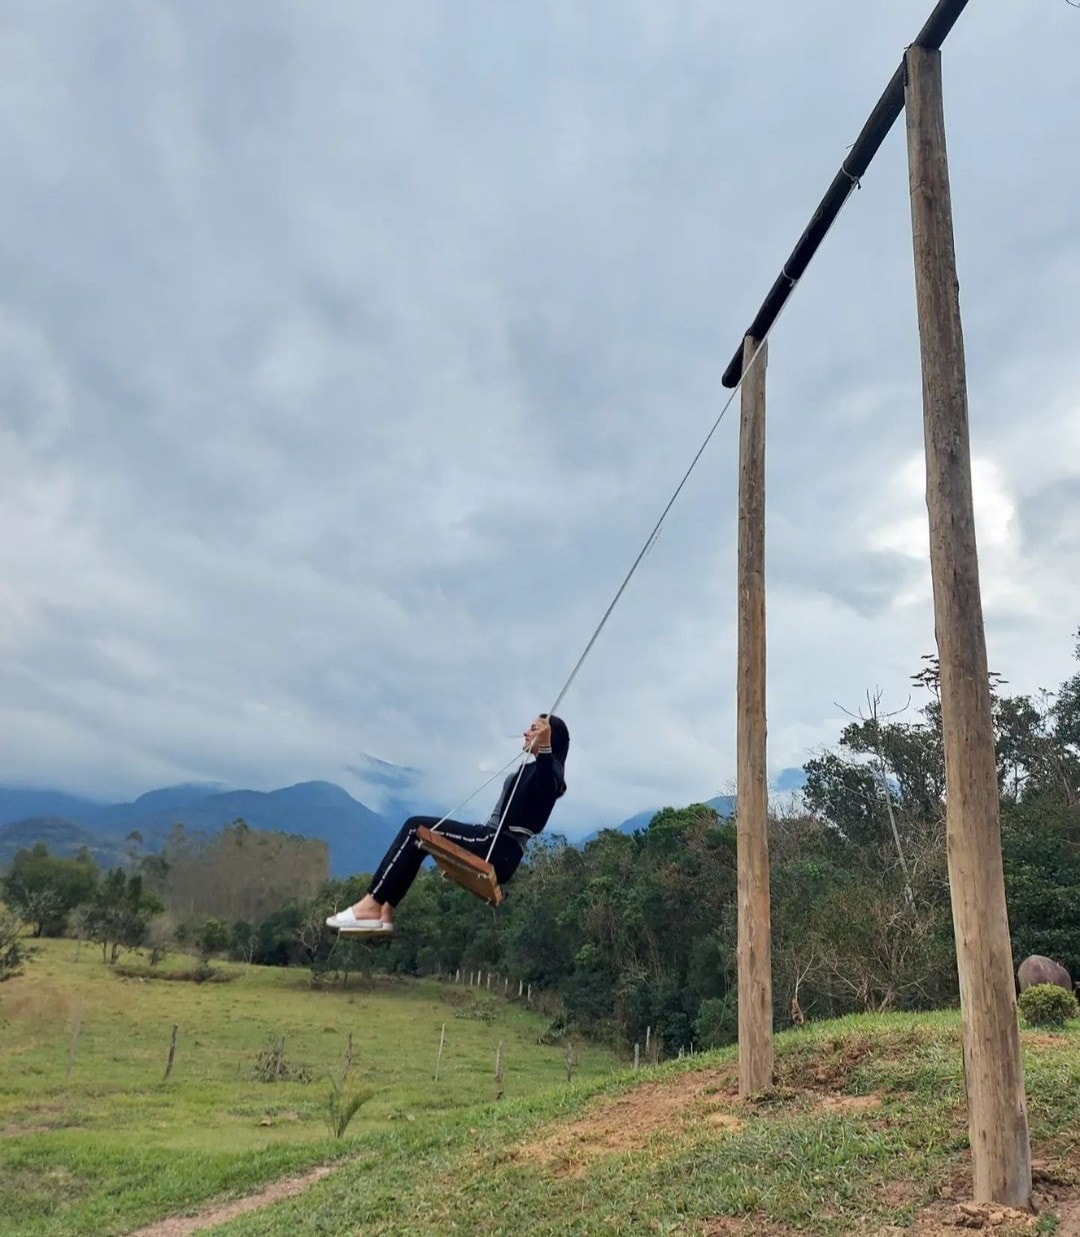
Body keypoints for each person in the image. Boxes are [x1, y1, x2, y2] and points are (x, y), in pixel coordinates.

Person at [326, 713, 569, 935]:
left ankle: (371, 904)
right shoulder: (532, 768)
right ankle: (385, 910)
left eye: (534, 729)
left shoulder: (551, 771)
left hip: (498, 846)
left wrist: (545, 745)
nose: (526, 732)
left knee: (414, 827)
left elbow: (547, 783)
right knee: (419, 841)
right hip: (494, 843)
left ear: (549, 737)